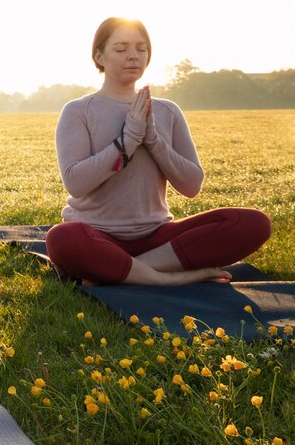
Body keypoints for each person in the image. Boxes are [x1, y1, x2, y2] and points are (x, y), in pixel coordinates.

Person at [45, 17, 271, 286]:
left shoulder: (167, 111)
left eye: (141, 49)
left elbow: (191, 185)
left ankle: (126, 271)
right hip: (98, 236)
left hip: (158, 240)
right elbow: (76, 183)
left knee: (251, 223)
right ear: (99, 55)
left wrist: (152, 139)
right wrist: (128, 141)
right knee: (62, 239)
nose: (133, 56)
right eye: (121, 49)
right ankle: (167, 278)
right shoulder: (79, 110)